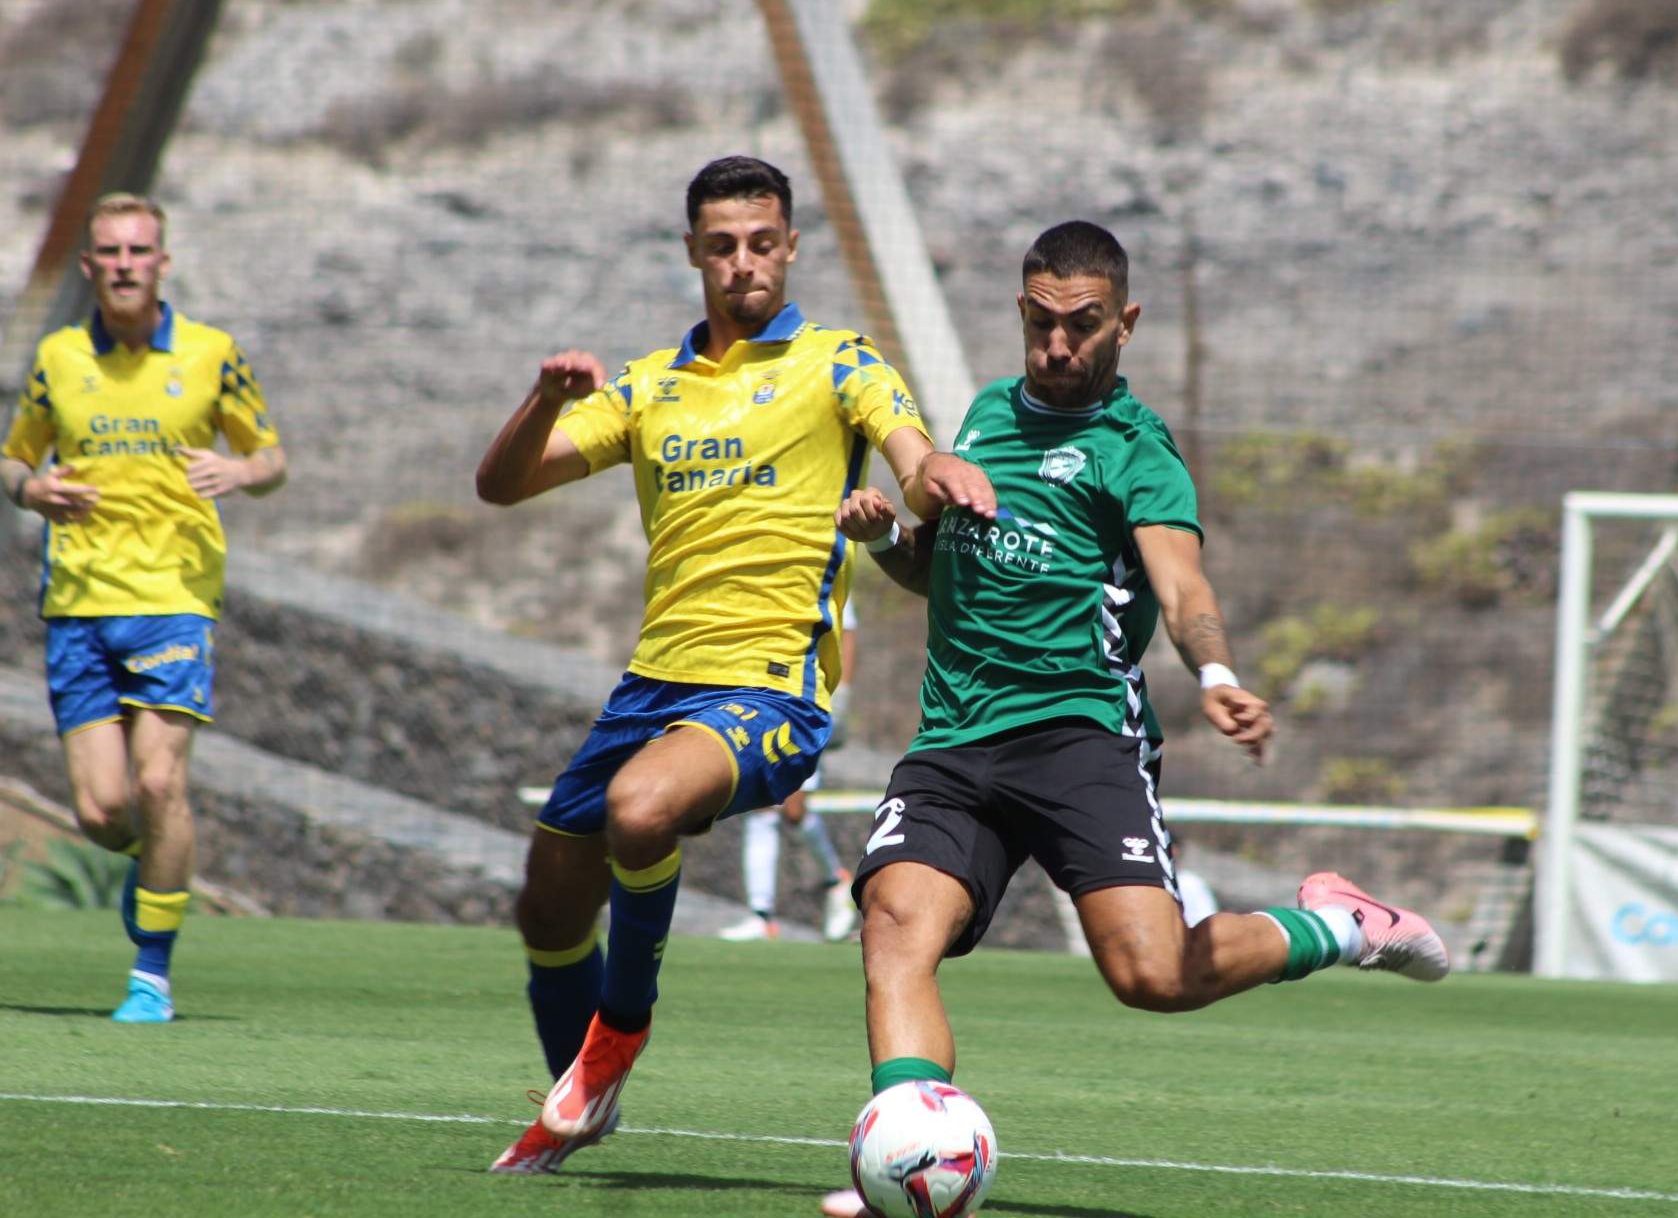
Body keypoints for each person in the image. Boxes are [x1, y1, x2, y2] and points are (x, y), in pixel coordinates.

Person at [820, 221, 1446, 1218]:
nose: (1058, 346)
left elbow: (1182, 584)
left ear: (1126, 323)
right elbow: (937, 575)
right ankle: (909, 1149)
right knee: (894, 924)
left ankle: (1342, 923)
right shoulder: (981, 416)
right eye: (1039, 323)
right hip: (955, 741)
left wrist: (1218, 670)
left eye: (1082, 325)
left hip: (1081, 741)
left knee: (1151, 973)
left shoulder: (1135, 450)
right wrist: (889, 537)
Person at [475, 155, 993, 1175]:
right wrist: (542, 399)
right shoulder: (651, 384)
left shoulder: (839, 360)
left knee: (638, 809)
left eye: (763, 242)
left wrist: (942, 470)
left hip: (768, 685)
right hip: (651, 684)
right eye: (723, 245)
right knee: (545, 904)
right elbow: (502, 485)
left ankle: (619, 1033)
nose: (744, 263)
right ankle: (583, 1088)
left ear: (790, 246)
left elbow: (910, 452)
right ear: (693, 254)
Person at [0, 192, 288, 1024]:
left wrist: (239, 473)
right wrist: (34, 489)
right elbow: (12, 462)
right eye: (110, 252)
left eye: (140, 251)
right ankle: (161, 861)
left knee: (161, 780)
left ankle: (151, 975)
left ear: (162, 262)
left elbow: (269, 456)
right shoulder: (58, 358)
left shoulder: (209, 354)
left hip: (173, 600)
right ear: (89, 266)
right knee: (101, 814)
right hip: (79, 604)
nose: (125, 264)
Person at [719, 596, 861, 943]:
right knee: (763, 807)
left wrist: (841, 693)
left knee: (794, 809)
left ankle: (836, 880)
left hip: (809, 701)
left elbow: (847, 632)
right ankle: (761, 915)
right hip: (766, 695)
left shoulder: (827, 562)